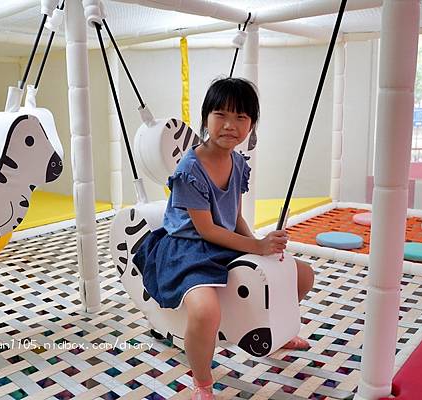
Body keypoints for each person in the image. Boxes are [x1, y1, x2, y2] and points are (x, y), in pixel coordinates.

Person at [133, 77, 315, 400]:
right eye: (221, 115)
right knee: (205, 311)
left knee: (298, 274)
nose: (230, 125)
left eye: (241, 118)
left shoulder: (237, 163)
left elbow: (235, 219)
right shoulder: (191, 169)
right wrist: (256, 247)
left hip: (225, 243)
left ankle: (277, 330)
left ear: (252, 125)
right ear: (206, 118)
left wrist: (263, 249)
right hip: (188, 249)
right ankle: (202, 381)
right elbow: (207, 230)